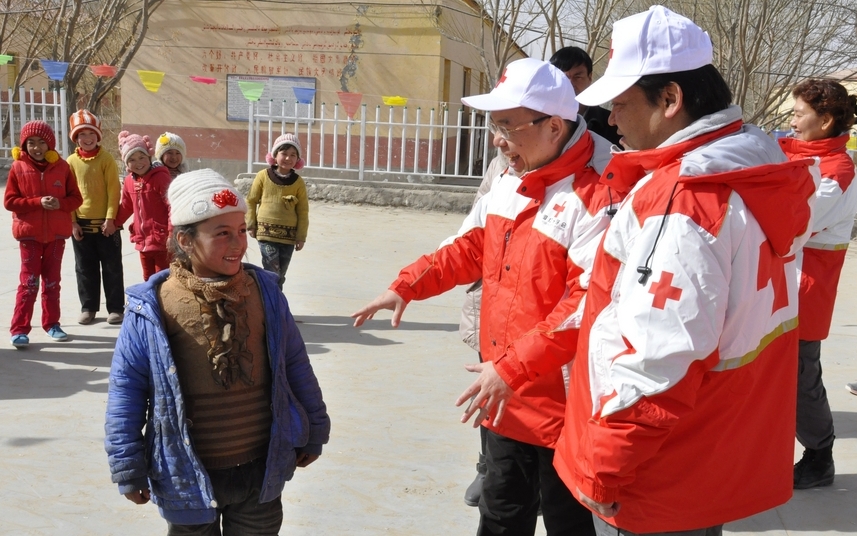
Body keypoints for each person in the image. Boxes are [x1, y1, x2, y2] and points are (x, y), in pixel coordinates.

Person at [552, 6, 818, 535]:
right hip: (705, 455)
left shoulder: (686, 201)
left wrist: (605, 468)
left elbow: (659, 356)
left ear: (671, 99)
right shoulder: (753, 171)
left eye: (621, 103)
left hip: (656, 473)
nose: (611, 118)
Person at [353, 58, 616, 536]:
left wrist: (512, 367)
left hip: (566, 401)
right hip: (505, 392)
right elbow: (472, 247)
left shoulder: (599, 191)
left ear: (553, 125)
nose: (497, 140)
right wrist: (407, 285)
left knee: (570, 522)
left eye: (505, 126)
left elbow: (585, 301)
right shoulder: (511, 176)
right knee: (499, 513)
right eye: (492, 126)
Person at [104, 168, 330, 534]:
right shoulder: (153, 306)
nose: (239, 244)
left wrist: (315, 428)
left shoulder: (266, 293)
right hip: (187, 476)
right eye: (222, 234)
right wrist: (127, 464)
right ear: (186, 240)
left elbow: (295, 364)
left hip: (262, 469)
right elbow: (126, 390)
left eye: (241, 231)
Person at [778, 78, 857, 489]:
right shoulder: (795, 154)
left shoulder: (838, 170)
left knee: (800, 379)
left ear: (824, 120)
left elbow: (796, 224)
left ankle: (819, 455)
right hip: (779, 286)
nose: (791, 122)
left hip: (804, 289)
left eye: (797, 115)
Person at [4, 120, 83, 348]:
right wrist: (37, 202)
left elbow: (75, 199)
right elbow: (10, 201)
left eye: (42, 142)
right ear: (24, 145)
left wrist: (59, 203)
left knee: (52, 282)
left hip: (56, 236)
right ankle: (19, 329)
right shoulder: (18, 168)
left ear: (50, 145)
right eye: (31, 143)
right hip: (29, 236)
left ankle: (52, 324)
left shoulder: (62, 167)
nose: (37, 147)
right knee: (28, 282)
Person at [460, 153, 510, 508]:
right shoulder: (500, 163)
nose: (498, 137)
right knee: (489, 390)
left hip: (538, 321)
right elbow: (473, 230)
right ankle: (487, 468)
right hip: (493, 304)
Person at [66, 109, 125, 325]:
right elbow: (68, 194)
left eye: (90, 133)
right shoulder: (71, 161)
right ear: (76, 138)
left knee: (112, 267)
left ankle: (116, 308)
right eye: (81, 135)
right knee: (84, 268)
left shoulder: (106, 159)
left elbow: (113, 191)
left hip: (106, 225)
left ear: (97, 136)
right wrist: (72, 222)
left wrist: (111, 219)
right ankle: (88, 307)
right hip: (81, 224)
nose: (87, 138)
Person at [246, 132, 309, 290]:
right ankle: (270, 304)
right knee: (271, 271)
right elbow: (251, 201)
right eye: (284, 153)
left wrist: (301, 236)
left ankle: (274, 303)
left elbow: (303, 211)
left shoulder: (298, 183)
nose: (288, 158)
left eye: (293, 155)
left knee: (281, 274)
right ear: (274, 155)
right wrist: (251, 224)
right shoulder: (262, 176)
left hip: (289, 237)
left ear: (297, 160)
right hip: (266, 234)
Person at [115, 130, 173, 281]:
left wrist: (172, 233)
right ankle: (151, 304)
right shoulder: (129, 182)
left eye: (142, 157)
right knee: (147, 278)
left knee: (163, 279)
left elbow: (171, 207)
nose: (138, 163)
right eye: (132, 159)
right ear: (126, 163)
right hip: (142, 241)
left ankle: (163, 305)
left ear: (149, 156)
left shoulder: (160, 178)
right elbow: (127, 206)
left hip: (162, 241)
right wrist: (114, 223)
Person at [549, 46, 622, 146]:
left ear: (590, 77)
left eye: (577, 77)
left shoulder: (613, 125)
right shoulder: (541, 123)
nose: (571, 84)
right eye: (564, 77)